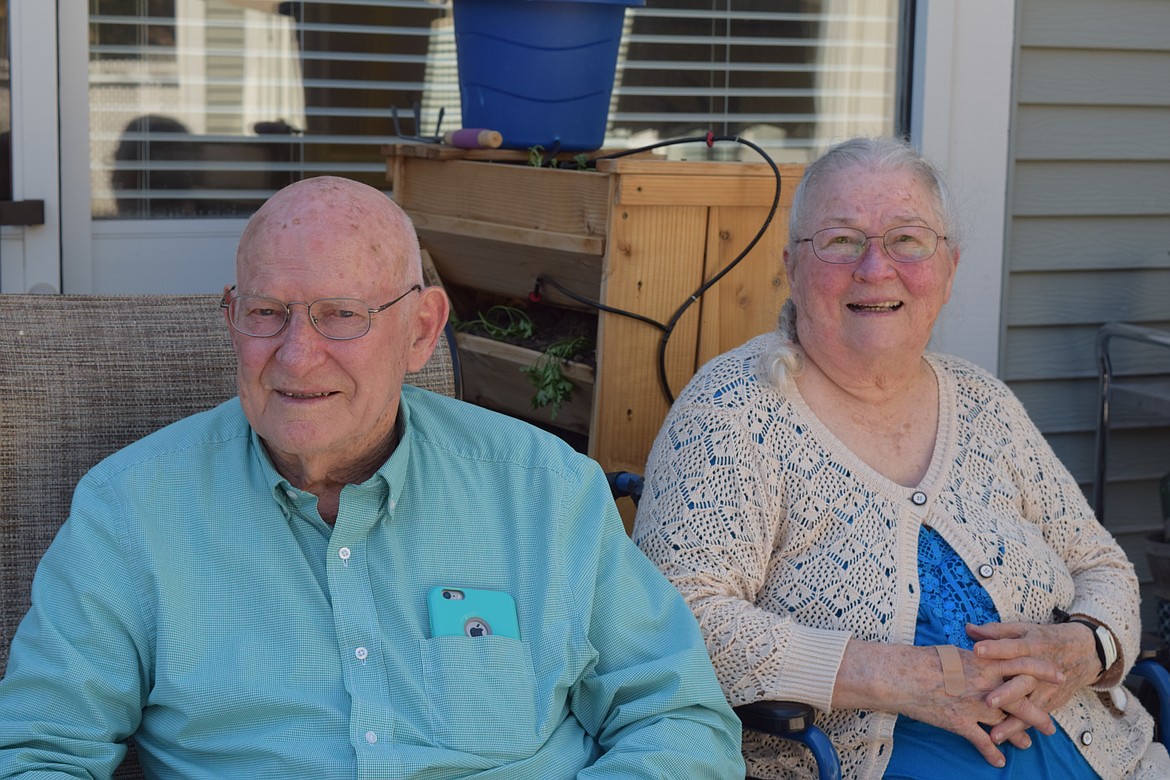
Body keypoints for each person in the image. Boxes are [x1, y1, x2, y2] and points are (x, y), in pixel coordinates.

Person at [0, 176, 745, 778]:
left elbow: (676, 716)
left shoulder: (544, 489)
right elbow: (38, 752)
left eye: (341, 315)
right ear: (231, 318)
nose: (295, 356)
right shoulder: (131, 508)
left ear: (420, 330)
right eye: (266, 312)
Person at [632, 137, 1170, 779]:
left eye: (907, 240)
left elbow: (1101, 563)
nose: (874, 267)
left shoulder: (982, 402)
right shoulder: (733, 411)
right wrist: (905, 678)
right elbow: (676, 618)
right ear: (792, 266)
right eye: (841, 240)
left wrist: (1089, 645)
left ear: (948, 268)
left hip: (1115, 761)